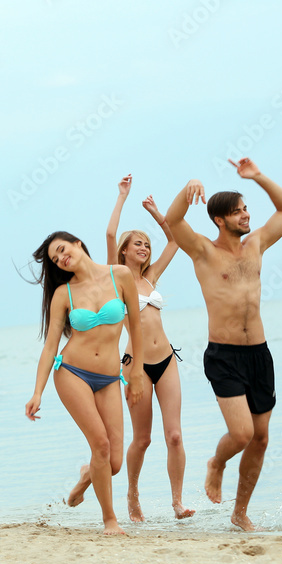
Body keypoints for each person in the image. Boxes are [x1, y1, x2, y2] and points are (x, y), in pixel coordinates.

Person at [165, 157, 282, 531]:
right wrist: (187, 186)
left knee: (261, 439)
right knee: (242, 434)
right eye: (237, 212)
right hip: (224, 355)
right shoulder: (203, 251)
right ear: (219, 220)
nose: (245, 215)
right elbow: (174, 222)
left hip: (259, 353)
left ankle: (239, 513)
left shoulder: (256, 244)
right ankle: (216, 463)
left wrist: (257, 177)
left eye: (245, 209)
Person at [25, 231, 145, 535]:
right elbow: (50, 345)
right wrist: (37, 391)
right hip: (72, 372)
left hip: (109, 378)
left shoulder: (121, 276)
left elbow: (136, 328)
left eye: (63, 249)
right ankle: (110, 521)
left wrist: (137, 373)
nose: (61, 258)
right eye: (56, 258)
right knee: (101, 445)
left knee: (113, 462)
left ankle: (85, 476)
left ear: (78, 244)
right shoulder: (63, 293)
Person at [106, 174, 194, 521]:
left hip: (167, 360)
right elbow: (110, 234)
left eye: (145, 244)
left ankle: (177, 502)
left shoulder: (151, 277)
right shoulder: (116, 278)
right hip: (136, 367)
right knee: (142, 440)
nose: (143, 248)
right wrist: (122, 197)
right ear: (125, 250)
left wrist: (158, 213)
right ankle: (132, 495)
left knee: (174, 435)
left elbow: (173, 241)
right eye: (137, 244)